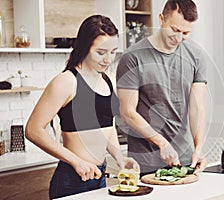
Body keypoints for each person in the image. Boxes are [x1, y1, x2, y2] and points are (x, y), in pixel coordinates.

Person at [25, 15, 139, 199]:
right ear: (85, 47)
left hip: (99, 177)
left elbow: (106, 129)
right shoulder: (67, 81)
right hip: (72, 180)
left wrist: (119, 156)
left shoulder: (107, 80)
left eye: (113, 52)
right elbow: (33, 130)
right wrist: (76, 161)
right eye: (101, 52)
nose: (108, 59)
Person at [116, 0, 208, 175]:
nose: (179, 38)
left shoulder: (197, 57)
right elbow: (127, 113)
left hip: (184, 160)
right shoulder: (132, 57)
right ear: (161, 19)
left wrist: (198, 148)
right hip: (146, 162)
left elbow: (197, 108)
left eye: (186, 33)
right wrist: (162, 143)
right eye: (174, 30)